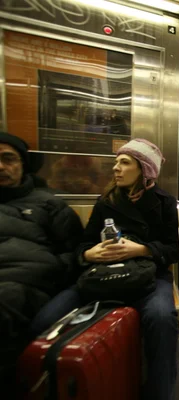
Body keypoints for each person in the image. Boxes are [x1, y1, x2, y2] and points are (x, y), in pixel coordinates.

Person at [30, 138, 179, 400]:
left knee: (161, 318)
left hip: (149, 277)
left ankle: (160, 392)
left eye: (124, 163)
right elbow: (83, 245)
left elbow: (173, 250)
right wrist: (90, 253)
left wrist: (141, 249)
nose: (116, 168)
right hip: (101, 274)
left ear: (144, 170)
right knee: (44, 321)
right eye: (115, 163)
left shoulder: (165, 203)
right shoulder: (106, 201)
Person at [0, 132, 83, 397]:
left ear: (23, 164)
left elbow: (76, 252)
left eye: (8, 159)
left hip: (25, 285)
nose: (0, 167)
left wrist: (47, 270)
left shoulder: (49, 205)